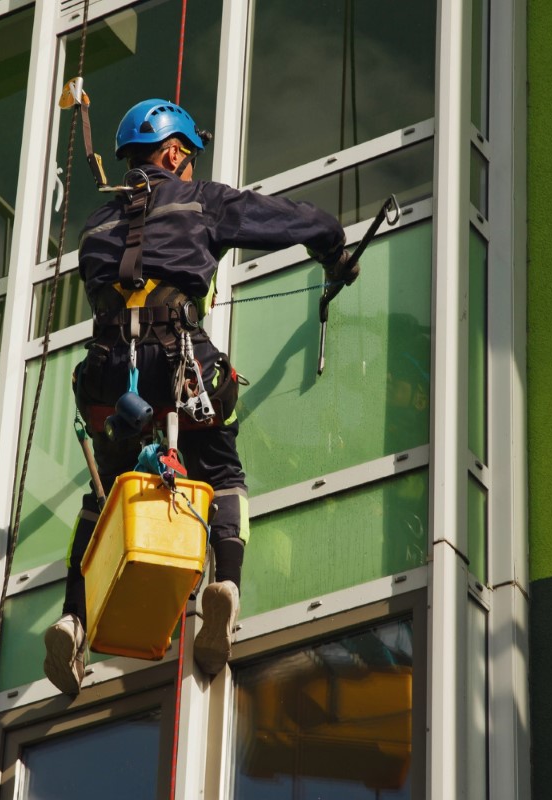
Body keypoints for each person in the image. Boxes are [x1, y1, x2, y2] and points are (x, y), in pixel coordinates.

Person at [43, 98, 355, 697]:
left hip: (109, 381)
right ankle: (227, 585)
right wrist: (334, 250)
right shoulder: (201, 201)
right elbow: (293, 219)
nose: (189, 168)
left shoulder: (94, 227)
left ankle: (72, 619)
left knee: (105, 492)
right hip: (180, 365)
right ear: (172, 153)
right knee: (220, 461)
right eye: (187, 158)